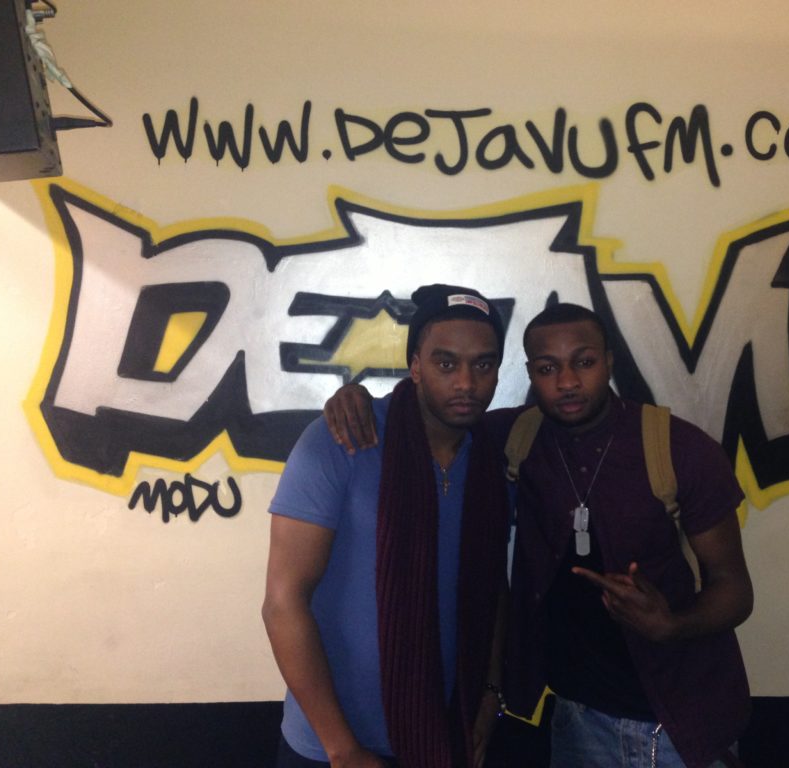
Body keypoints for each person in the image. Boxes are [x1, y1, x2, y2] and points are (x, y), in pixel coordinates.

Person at [326, 302, 753, 768]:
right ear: (530, 373)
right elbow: (430, 413)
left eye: (584, 362)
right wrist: (357, 397)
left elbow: (735, 589)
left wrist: (672, 624)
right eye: (548, 368)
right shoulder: (514, 436)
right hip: (573, 720)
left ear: (609, 361)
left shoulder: (680, 448)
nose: (567, 382)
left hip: (681, 723)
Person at [263, 284, 512, 768]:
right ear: (415, 365)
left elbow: (492, 589)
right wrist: (342, 749)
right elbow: (282, 602)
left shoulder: (494, 458)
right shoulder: (343, 440)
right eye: (446, 363)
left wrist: (489, 693)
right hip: (331, 748)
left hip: (448, 734)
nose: (466, 382)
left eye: (483, 364)